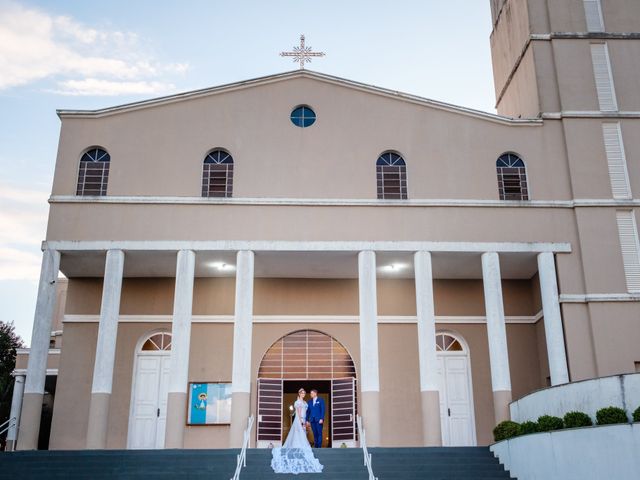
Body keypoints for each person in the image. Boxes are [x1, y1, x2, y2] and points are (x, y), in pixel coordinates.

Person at [270, 388, 323, 474]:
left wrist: (306, 421)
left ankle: (301, 445)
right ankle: (297, 445)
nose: (303, 394)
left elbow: (307, 411)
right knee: (299, 433)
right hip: (299, 420)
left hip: (304, 419)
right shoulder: (297, 402)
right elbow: (298, 412)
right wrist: (301, 421)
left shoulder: (305, 402)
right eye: (302, 393)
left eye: (304, 393)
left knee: (303, 434)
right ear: (299, 394)